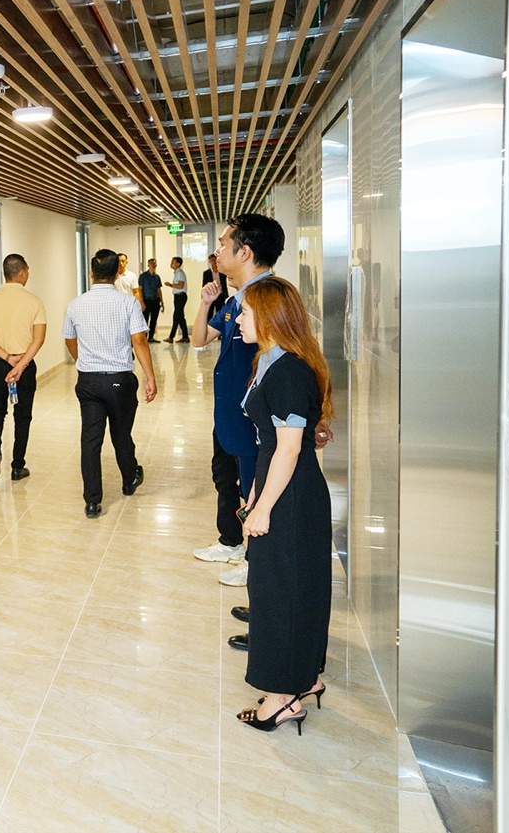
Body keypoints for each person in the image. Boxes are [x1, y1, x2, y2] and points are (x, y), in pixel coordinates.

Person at [234, 276, 333, 734]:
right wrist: (256, 492)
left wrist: (264, 508)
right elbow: (276, 442)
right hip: (279, 484)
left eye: (246, 312)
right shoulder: (271, 361)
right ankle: (304, 678)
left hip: (290, 495)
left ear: (270, 318)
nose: (238, 319)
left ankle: (282, 699)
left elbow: (289, 450)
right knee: (298, 588)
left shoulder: (289, 370)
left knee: (280, 593)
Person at [190, 214, 284, 589]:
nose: (216, 252)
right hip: (229, 415)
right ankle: (233, 543)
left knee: (254, 490)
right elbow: (200, 340)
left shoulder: (267, 299)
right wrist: (205, 303)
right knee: (229, 482)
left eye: (223, 245)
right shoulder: (236, 299)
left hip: (250, 421)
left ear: (243, 253)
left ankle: (254, 560)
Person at [63, 250, 157, 517]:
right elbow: (139, 341)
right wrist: (150, 377)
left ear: (91, 273)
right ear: (117, 273)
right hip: (120, 380)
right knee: (121, 434)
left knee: (90, 441)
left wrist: (82, 360)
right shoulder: (128, 304)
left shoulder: (76, 304)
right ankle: (129, 480)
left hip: (89, 382)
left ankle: (92, 501)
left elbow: (69, 338)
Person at [0, 254, 47, 481]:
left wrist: (7, 358)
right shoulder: (34, 301)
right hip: (24, 366)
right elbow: (38, 339)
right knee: (22, 415)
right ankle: (18, 466)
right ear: (22, 273)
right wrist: (20, 363)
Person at [139, 258, 164, 342]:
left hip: (155, 300)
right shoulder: (143, 276)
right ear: (148, 265)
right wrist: (141, 301)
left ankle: (151, 337)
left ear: (156, 265)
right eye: (151, 264)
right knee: (145, 320)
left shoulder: (157, 277)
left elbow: (159, 289)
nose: (153, 265)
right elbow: (140, 289)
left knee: (154, 320)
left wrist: (162, 301)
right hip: (146, 300)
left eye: (154, 264)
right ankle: (144, 337)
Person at [166, 256, 190, 343]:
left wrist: (170, 285)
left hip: (180, 296)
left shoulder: (180, 273)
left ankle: (172, 337)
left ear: (178, 264)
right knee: (179, 317)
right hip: (177, 296)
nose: (171, 263)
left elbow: (180, 286)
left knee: (177, 316)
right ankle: (184, 336)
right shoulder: (176, 273)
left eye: (173, 262)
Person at [202, 254, 228, 321]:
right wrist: (203, 296)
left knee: (220, 313)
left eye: (215, 260)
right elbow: (204, 284)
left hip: (220, 295)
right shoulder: (206, 273)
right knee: (209, 313)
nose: (214, 262)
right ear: (209, 261)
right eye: (212, 260)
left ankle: (221, 329)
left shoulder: (222, 272)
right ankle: (208, 328)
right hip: (211, 295)